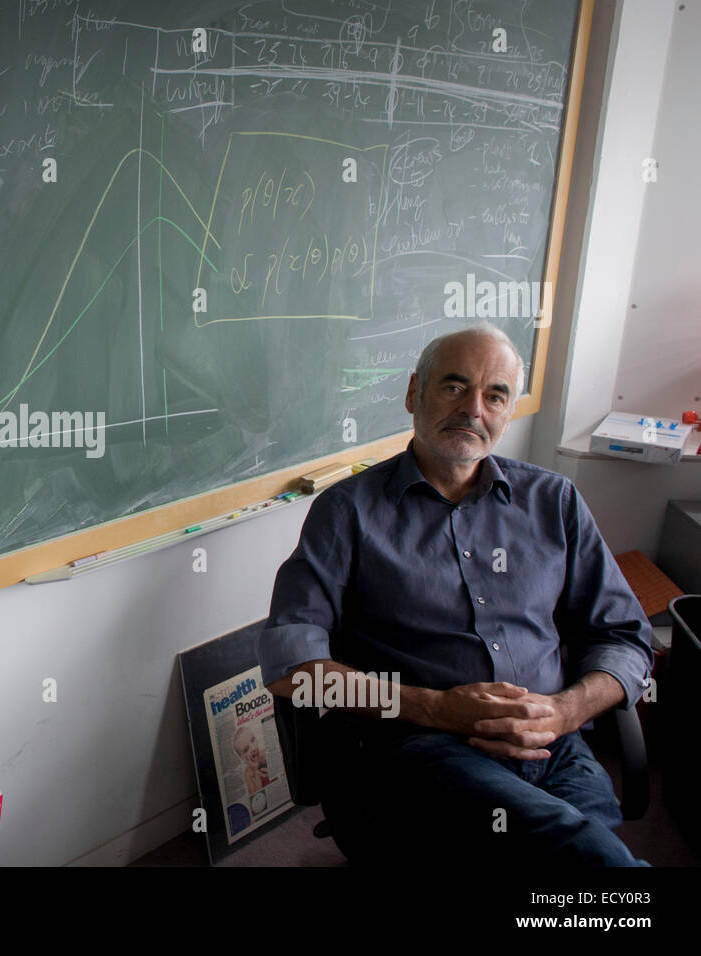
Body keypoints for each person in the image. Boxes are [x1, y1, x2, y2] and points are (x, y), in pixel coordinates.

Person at [257, 323, 654, 866]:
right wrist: (438, 708)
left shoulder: (554, 501)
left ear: (509, 411)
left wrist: (563, 711)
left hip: (552, 745)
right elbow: (290, 667)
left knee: (569, 853)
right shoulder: (348, 512)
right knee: (586, 856)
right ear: (413, 393)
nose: (473, 409)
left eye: (495, 395)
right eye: (454, 386)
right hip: (420, 748)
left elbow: (625, 636)